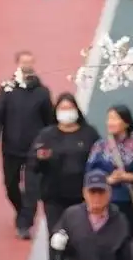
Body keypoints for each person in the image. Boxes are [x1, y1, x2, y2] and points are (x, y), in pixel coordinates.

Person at [0, 49, 55, 238]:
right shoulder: (7, 89)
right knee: (10, 185)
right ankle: (21, 210)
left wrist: (50, 143)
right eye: (23, 62)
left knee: (32, 188)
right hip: (11, 148)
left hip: (35, 149)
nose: (27, 66)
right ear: (17, 64)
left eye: (30, 62)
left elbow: (49, 119)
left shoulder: (42, 93)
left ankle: (25, 223)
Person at [51, 170, 133, 260]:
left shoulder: (120, 221)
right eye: (92, 192)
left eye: (101, 192)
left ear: (109, 193)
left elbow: (126, 259)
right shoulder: (71, 215)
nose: (96, 197)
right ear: (84, 193)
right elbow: (59, 246)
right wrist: (56, 247)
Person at [28, 92, 100, 235]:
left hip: (82, 197)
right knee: (57, 237)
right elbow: (32, 164)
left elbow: (99, 160)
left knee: (81, 236)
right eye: (62, 108)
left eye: (70, 108)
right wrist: (40, 158)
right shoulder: (46, 135)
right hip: (54, 197)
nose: (66, 112)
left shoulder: (89, 134)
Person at [85, 105, 133, 237]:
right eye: (108, 119)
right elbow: (89, 172)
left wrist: (127, 177)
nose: (110, 123)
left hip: (127, 202)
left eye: (115, 119)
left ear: (126, 123)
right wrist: (107, 180)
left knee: (126, 239)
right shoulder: (100, 146)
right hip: (103, 201)